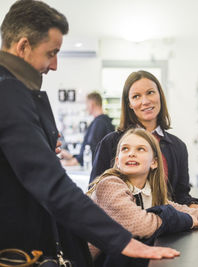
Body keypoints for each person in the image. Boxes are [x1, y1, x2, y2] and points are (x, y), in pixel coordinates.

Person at [0, 0, 179, 265]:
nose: (55, 65)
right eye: (52, 53)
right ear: (24, 46)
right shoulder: (8, 92)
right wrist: (121, 240)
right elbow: (50, 183)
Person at [87, 128, 198, 266]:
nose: (131, 153)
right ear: (117, 161)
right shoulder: (110, 184)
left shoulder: (147, 190)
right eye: (125, 149)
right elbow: (140, 225)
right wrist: (186, 220)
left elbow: (172, 206)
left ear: (154, 162)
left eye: (140, 149)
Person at [90, 70, 198, 208]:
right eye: (136, 96)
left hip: (169, 224)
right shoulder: (110, 143)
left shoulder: (178, 146)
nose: (145, 101)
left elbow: (181, 195)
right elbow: (96, 194)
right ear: (129, 104)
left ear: (160, 95)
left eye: (150, 92)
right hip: (122, 226)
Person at [61, 91, 115, 166]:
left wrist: (72, 162)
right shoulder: (105, 121)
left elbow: (91, 149)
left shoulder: (99, 123)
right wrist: (72, 156)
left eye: (86, 104)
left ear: (91, 104)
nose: (86, 107)